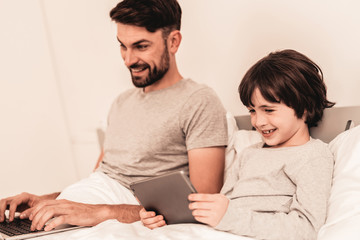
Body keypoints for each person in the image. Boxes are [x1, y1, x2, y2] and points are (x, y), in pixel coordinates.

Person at [0, 0, 228, 232]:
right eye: (123, 46)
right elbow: (101, 179)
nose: (128, 60)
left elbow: (200, 207)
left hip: (121, 217)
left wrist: (101, 212)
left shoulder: (199, 101)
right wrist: (48, 200)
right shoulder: (122, 102)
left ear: (173, 42)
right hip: (88, 209)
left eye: (141, 46)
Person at [140, 49, 335, 240]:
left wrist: (229, 217)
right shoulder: (249, 154)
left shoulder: (313, 155)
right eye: (252, 111)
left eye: (268, 110)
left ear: (306, 107)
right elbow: (225, 204)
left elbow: (306, 228)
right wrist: (167, 216)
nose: (258, 122)